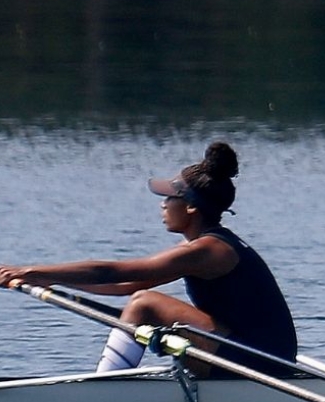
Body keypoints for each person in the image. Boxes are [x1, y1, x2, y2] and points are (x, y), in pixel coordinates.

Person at [0, 142, 298, 378]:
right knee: (142, 301)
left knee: (146, 303)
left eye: (170, 198)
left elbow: (111, 272)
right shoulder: (202, 248)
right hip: (255, 353)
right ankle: (111, 385)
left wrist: (31, 270)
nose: (163, 204)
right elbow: (124, 285)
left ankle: (105, 391)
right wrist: (48, 280)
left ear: (191, 207)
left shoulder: (208, 251)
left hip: (262, 361)